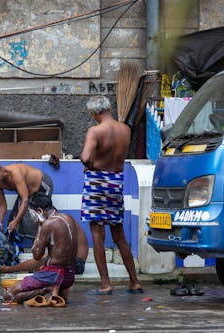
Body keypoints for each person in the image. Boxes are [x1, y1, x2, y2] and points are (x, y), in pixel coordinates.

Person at [80, 95, 143, 295]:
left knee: (98, 234)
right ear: (108, 108)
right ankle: (134, 282)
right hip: (116, 182)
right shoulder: (125, 130)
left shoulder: (95, 131)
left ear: (93, 113)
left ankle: (106, 284)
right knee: (119, 234)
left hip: (97, 183)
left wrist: (91, 166)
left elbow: (85, 157)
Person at [6, 194, 78, 304]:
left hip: (53, 275)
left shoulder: (48, 224)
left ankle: (47, 289)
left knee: (10, 294)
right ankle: (53, 290)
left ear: (39, 211)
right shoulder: (69, 218)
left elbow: (37, 255)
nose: (31, 218)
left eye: (31, 214)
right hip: (69, 275)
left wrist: (40, 225)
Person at [0, 161, 53, 265]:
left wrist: (16, 221)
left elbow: (25, 200)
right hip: (26, 192)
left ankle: (40, 256)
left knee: (33, 219)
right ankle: (15, 257)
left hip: (41, 185)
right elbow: (2, 206)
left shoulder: (15, 173)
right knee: (12, 221)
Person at [0, 216, 88, 275]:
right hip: (73, 263)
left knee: (46, 259)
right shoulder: (61, 219)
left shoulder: (55, 223)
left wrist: (40, 227)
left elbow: (38, 254)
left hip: (77, 265)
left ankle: (9, 269)